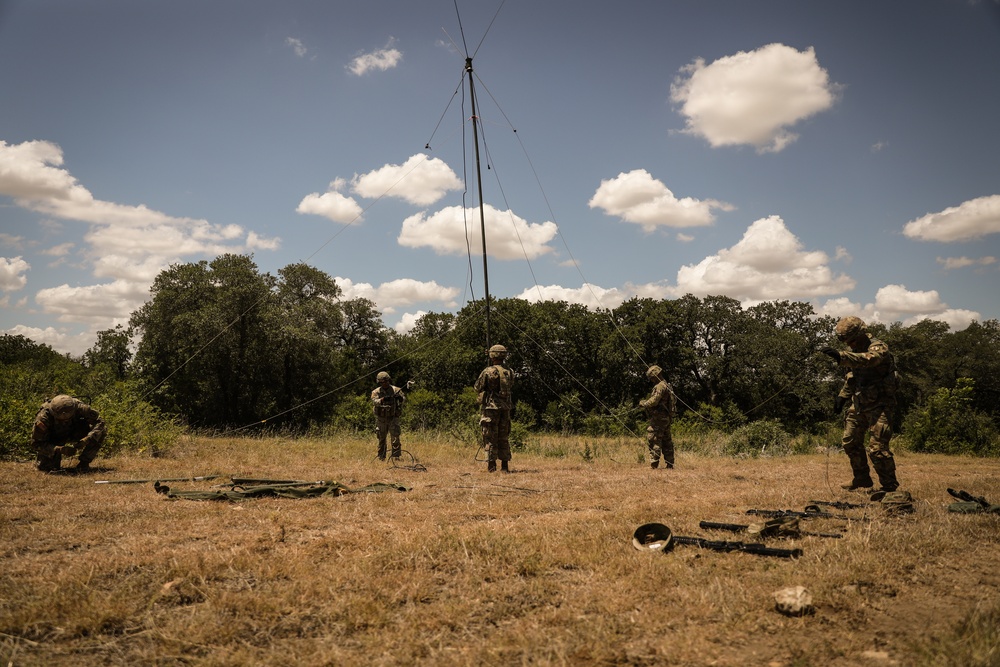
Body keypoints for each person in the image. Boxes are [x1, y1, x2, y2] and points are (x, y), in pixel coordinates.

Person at [822, 316, 900, 492]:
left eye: (852, 340)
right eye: (847, 343)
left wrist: (841, 356)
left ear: (862, 333)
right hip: (858, 404)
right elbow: (852, 377)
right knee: (850, 442)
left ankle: (889, 487)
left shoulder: (878, 347)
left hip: (880, 406)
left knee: (878, 449)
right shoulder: (854, 351)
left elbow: (869, 360)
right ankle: (862, 478)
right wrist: (842, 397)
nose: (850, 345)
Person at [32, 394, 106, 473]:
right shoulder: (43, 418)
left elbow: (99, 423)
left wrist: (87, 439)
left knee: (101, 431)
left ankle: (84, 463)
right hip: (54, 437)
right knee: (47, 469)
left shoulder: (81, 408)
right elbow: (36, 444)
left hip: (75, 432)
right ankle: (51, 462)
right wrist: (58, 449)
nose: (64, 422)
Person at [475, 344, 514, 473]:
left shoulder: (488, 371)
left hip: (491, 408)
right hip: (506, 408)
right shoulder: (510, 371)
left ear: (492, 355)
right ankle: (504, 467)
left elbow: (477, 387)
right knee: (504, 436)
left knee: (490, 436)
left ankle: (491, 467)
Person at [639, 365, 676, 469]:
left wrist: (644, 404)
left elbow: (655, 400)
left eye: (652, 378)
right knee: (666, 440)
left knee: (654, 439)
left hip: (659, 418)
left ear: (656, 375)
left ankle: (654, 464)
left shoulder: (660, 386)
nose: (651, 380)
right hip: (666, 417)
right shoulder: (666, 385)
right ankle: (670, 464)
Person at [371, 371, 405, 461]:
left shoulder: (396, 390)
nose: (385, 384)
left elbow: (403, 400)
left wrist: (399, 398)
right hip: (381, 419)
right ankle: (381, 457)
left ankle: (396, 457)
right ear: (379, 382)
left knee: (395, 438)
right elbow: (374, 402)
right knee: (381, 439)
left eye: (386, 381)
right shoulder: (376, 392)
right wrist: (383, 399)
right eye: (382, 382)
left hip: (393, 417)